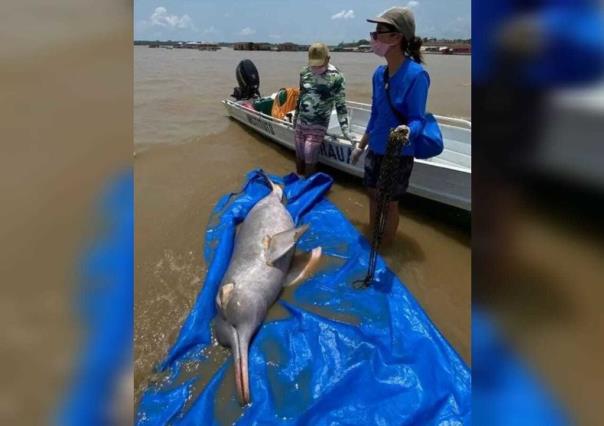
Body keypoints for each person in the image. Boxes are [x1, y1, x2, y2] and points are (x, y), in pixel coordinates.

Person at [351, 7, 429, 244]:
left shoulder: (416, 75)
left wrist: (408, 131)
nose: (373, 38)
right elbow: (376, 113)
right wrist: (361, 145)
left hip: (398, 152)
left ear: (396, 37)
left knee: (390, 203)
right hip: (375, 148)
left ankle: (384, 248)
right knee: (373, 195)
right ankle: (372, 236)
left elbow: (417, 119)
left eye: (378, 32)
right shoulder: (378, 74)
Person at [293, 43, 353, 177]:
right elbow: (301, 95)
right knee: (299, 153)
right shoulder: (304, 72)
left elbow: (340, 105)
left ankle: (308, 186)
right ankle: (298, 181)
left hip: (318, 124)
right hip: (301, 122)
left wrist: (345, 130)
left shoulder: (337, 77)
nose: (316, 66)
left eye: (319, 63)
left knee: (309, 153)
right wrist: (296, 116)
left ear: (328, 59)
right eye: (313, 63)